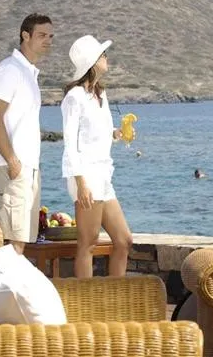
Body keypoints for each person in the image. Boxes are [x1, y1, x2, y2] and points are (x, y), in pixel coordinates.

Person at [61, 35, 133, 278]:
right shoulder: (74, 97)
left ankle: (114, 296)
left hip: (103, 176)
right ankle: (86, 299)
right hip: (86, 175)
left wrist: (117, 133)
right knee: (88, 242)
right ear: (92, 63)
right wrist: (80, 183)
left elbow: (98, 133)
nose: (106, 58)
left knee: (124, 240)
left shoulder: (100, 95)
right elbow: (70, 143)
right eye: (102, 55)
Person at [0, 13, 53, 255]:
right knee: (10, 243)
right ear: (25, 35)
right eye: (42, 35)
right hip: (12, 167)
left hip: (27, 168)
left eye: (51, 36)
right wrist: (12, 161)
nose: (48, 41)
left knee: (19, 242)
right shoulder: (9, 70)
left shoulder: (29, 74)